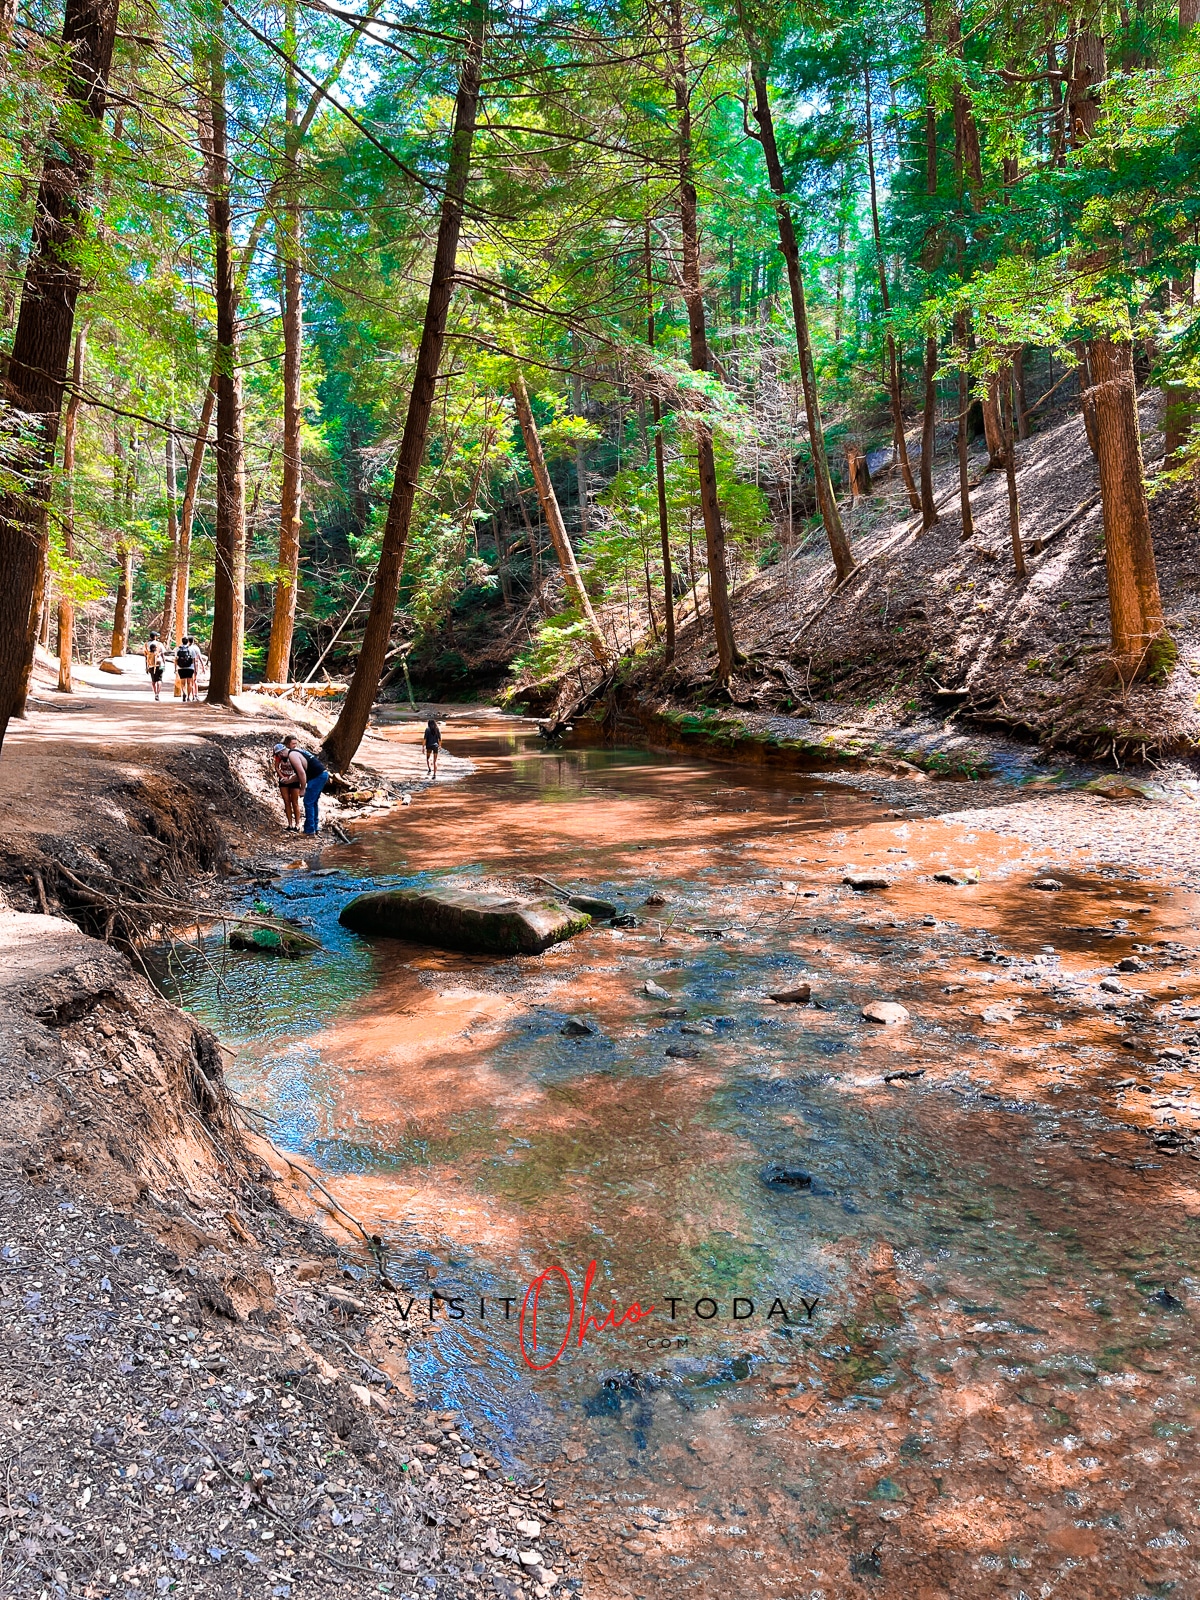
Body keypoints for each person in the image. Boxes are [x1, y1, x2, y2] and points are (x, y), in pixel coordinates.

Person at [284, 735, 329, 835]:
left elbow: (301, 773)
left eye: (295, 744)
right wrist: (289, 781)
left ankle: (309, 829)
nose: (294, 746)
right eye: (293, 744)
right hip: (322, 774)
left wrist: (302, 788)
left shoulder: (292, 754)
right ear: (288, 744)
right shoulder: (299, 751)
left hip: (317, 777)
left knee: (308, 802)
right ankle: (315, 827)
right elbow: (302, 772)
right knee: (313, 802)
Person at [273, 740, 302, 831]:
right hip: (283, 780)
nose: (278, 756)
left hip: (294, 780)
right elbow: (277, 767)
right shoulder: (278, 757)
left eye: (279, 754)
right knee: (286, 801)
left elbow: (299, 768)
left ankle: (298, 824)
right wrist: (282, 777)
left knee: (295, 801)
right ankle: (290, 824)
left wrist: (292, 778)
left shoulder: (292, 755)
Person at [143, 631, 165, 701]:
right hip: (160, 664)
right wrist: (164, 664)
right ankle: (158, 693)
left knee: (153, 680)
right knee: (160, 679)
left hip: (151, 665)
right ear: (155, 637)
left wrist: (146, 667)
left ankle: (155, 692)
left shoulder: (146, 645)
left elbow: (146, 656)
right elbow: (163, 655)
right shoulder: (159, 644)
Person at [175, 636, 198, 702]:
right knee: (189, 683)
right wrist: (195, 669)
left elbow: (176, 659)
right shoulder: (191, 649)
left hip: (181, 668)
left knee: (183, 683)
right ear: (188, 641)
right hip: (190, 668)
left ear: (182, 641)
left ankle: (184, 693)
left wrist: (176, 668)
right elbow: (193, 660)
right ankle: (188, 696)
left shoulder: (177, 649)